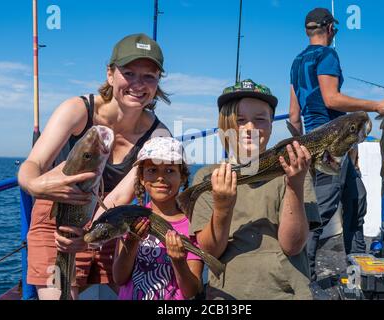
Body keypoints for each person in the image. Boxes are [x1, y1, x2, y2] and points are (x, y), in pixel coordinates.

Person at [18, 33, 171, 299]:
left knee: (140, 291)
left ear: (158, 83)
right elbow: (34, 163)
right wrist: (34, 184)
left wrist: (92, 234)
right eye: (129, 73)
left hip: (109, 221)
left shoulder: (159, 136)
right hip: (58, 219)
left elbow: (121, 195)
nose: (138, 84)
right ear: (110, 74)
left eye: (149, 76)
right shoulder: (78, 109)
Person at [289, 8, 384, 281]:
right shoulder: (328, 55)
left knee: (357, 200)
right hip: (331, 144)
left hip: (313, 142)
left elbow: (293, 118)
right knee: (322, 211)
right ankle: (306, 279)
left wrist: (303, 149)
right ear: (330, 29)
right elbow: (331, 99)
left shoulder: (296, 61)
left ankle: (358, 270)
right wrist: (376, 105)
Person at [190, 79, 321, 300]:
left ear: (271, 125)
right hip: (228, 295)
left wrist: (294, 185)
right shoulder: (206, 177)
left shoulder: (295, 170)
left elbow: (293, 245)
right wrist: (222, 208)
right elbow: (210, 251)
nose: (249, 128)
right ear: (224, 126)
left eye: (260, 120)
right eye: (240, 120)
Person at [111, 137, 204, 300]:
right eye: (152, 170)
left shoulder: (192, 225)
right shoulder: (131, 219)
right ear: (141, 177)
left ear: (182, 177)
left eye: (169, 170)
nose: (160, 178)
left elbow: (191, 291)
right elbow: (119, 278)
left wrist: (179, 261)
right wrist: (132, 242)